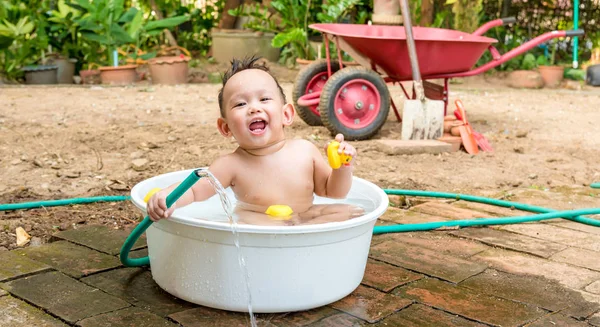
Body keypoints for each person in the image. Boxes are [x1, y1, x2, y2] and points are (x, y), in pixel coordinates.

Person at [147, 55, 362, 225]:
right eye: (240, 104)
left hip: (306, 218)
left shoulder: (305, 151)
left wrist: (342, 168)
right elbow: (195, 190)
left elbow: (333, 192)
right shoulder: (230, 165)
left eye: (264, 99)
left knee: (347, 212)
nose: (254, 108)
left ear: (286, 114)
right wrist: (169, 196)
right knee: (256, 223)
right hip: (260, 224)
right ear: (226, 127)